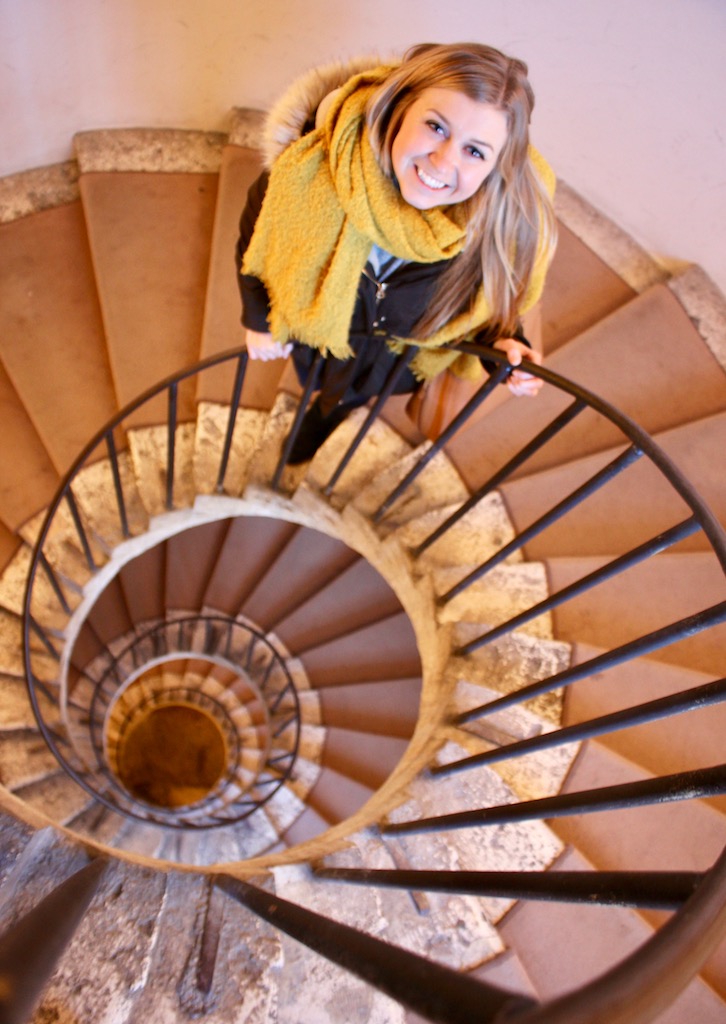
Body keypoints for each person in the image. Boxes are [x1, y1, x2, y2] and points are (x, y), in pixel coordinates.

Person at [236, 42, 557, 463]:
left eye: (475, 151)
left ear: (494, 168)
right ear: (399, 108)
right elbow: (255, 242)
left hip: (392, 365)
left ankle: (320, 423)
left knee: (344, 400)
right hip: (315, 335)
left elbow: (483, 306)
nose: (443, 161)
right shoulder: (307, 173)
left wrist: (504, 345)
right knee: (319, 378)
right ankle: (322, 411)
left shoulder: (492, 233)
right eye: (436, 126)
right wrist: (258, 319)